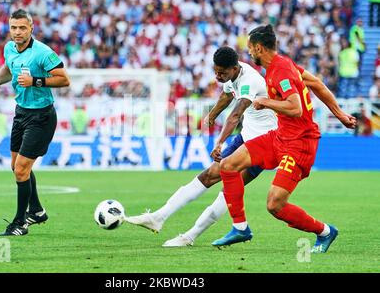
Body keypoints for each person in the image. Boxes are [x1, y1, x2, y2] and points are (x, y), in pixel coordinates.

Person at [126, 46, 356, 247]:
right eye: (215, 72)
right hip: (247, 137)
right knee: (211, 177)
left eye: (222, 73)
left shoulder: (252, 80)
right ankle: (162, 218)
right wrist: (213, 114)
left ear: (235, 68)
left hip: (267, 140)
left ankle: (190, 235)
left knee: (225, 190)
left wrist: (219, 141)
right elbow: (227, 96)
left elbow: (237, 114)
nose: (218, 76)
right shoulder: (234, 74)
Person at [212, 25, 356, 253]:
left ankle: (325, 232)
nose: (249, 52)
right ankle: (240, 227)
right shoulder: (283, 66)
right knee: (228, 166)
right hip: (279, 136)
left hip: (300, 144)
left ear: (259, 47)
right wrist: (340, 115)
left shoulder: (281, 71)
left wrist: (265, 102)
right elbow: (317, 84)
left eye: (250, 48)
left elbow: (295, 108)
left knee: (274, 205)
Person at [0, 9, 70, 236]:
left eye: (22, 27)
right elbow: (8, 69)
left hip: (41, 116)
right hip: (21, 113)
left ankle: (20, 223)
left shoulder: (42, 52)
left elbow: (64, 79)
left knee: (21, 170)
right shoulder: (10, 48)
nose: (17, 32)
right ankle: (38, 211)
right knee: (16, 167)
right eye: (13, 27)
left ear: (31, 28)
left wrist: (35, 81)